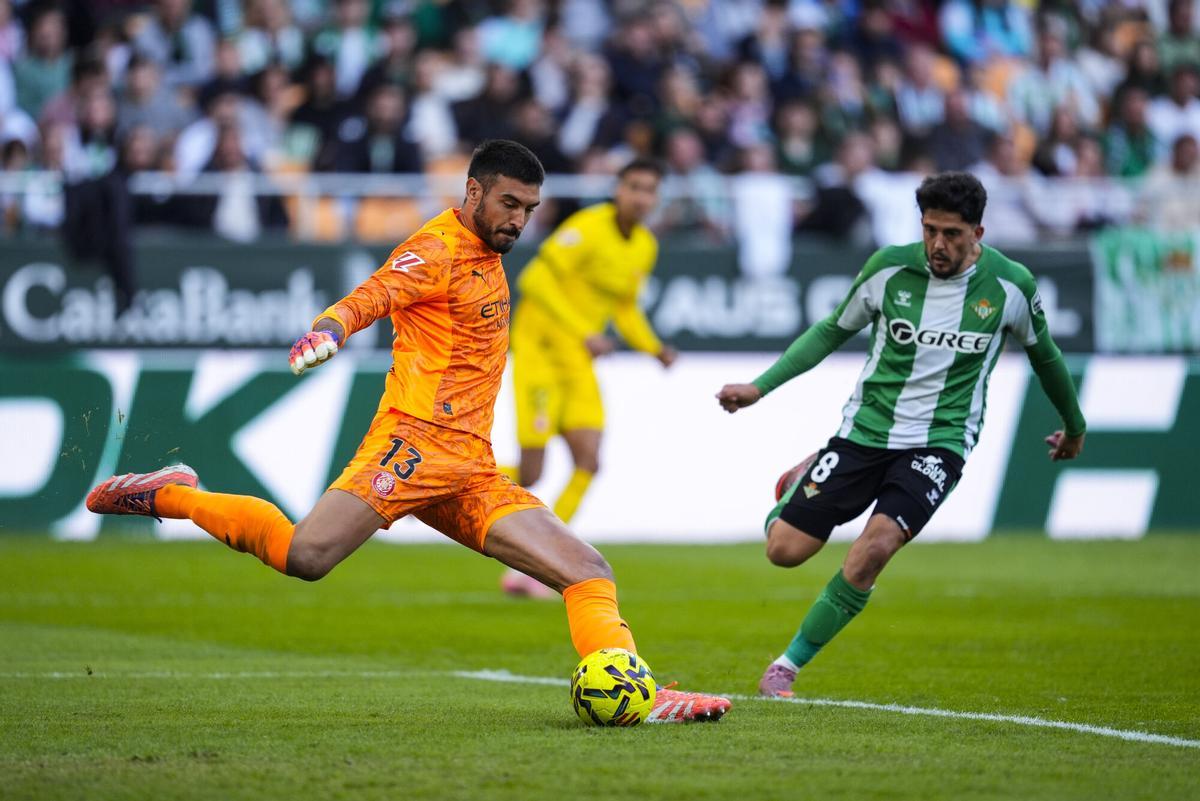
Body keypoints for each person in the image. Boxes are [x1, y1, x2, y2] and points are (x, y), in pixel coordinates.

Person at [85, 140, 728, 724]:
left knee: (588, 571)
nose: (517, 220)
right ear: (473, 191)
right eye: (508, 204)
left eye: (529, 209)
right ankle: (172, 494)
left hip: (470, 467)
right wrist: (329, 330)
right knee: (306, 556)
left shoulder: (490, 249)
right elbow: (373, 293)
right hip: (412, 447)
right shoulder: (437, 249)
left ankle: (638, 688)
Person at [715, 171, 1086, 698]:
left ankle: (786, 667)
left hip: (940, 441)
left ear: (978, 232)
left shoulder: (1010, 287)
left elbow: (1045, 357)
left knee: (875, 547)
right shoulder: (888, 268)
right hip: (865, 431)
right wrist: (760, 387)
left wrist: (1075, 426)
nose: (938, 243)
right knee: (784, 551)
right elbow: (830, 330)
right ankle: (800, 479)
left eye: (952, 233)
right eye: (930, 229)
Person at [501, 158, 677, 597]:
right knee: (530, 472)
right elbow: (536, 279)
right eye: (633, 186)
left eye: (649, 190)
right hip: (540, 352)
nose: (640, 197)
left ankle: (540, 563)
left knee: (589, 460)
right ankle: (440, 487)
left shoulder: (644, 247)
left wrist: (653, 347)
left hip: (577, 360)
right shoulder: (587, 228)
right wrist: (584, 332)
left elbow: (625, 308)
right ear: (618, 189)